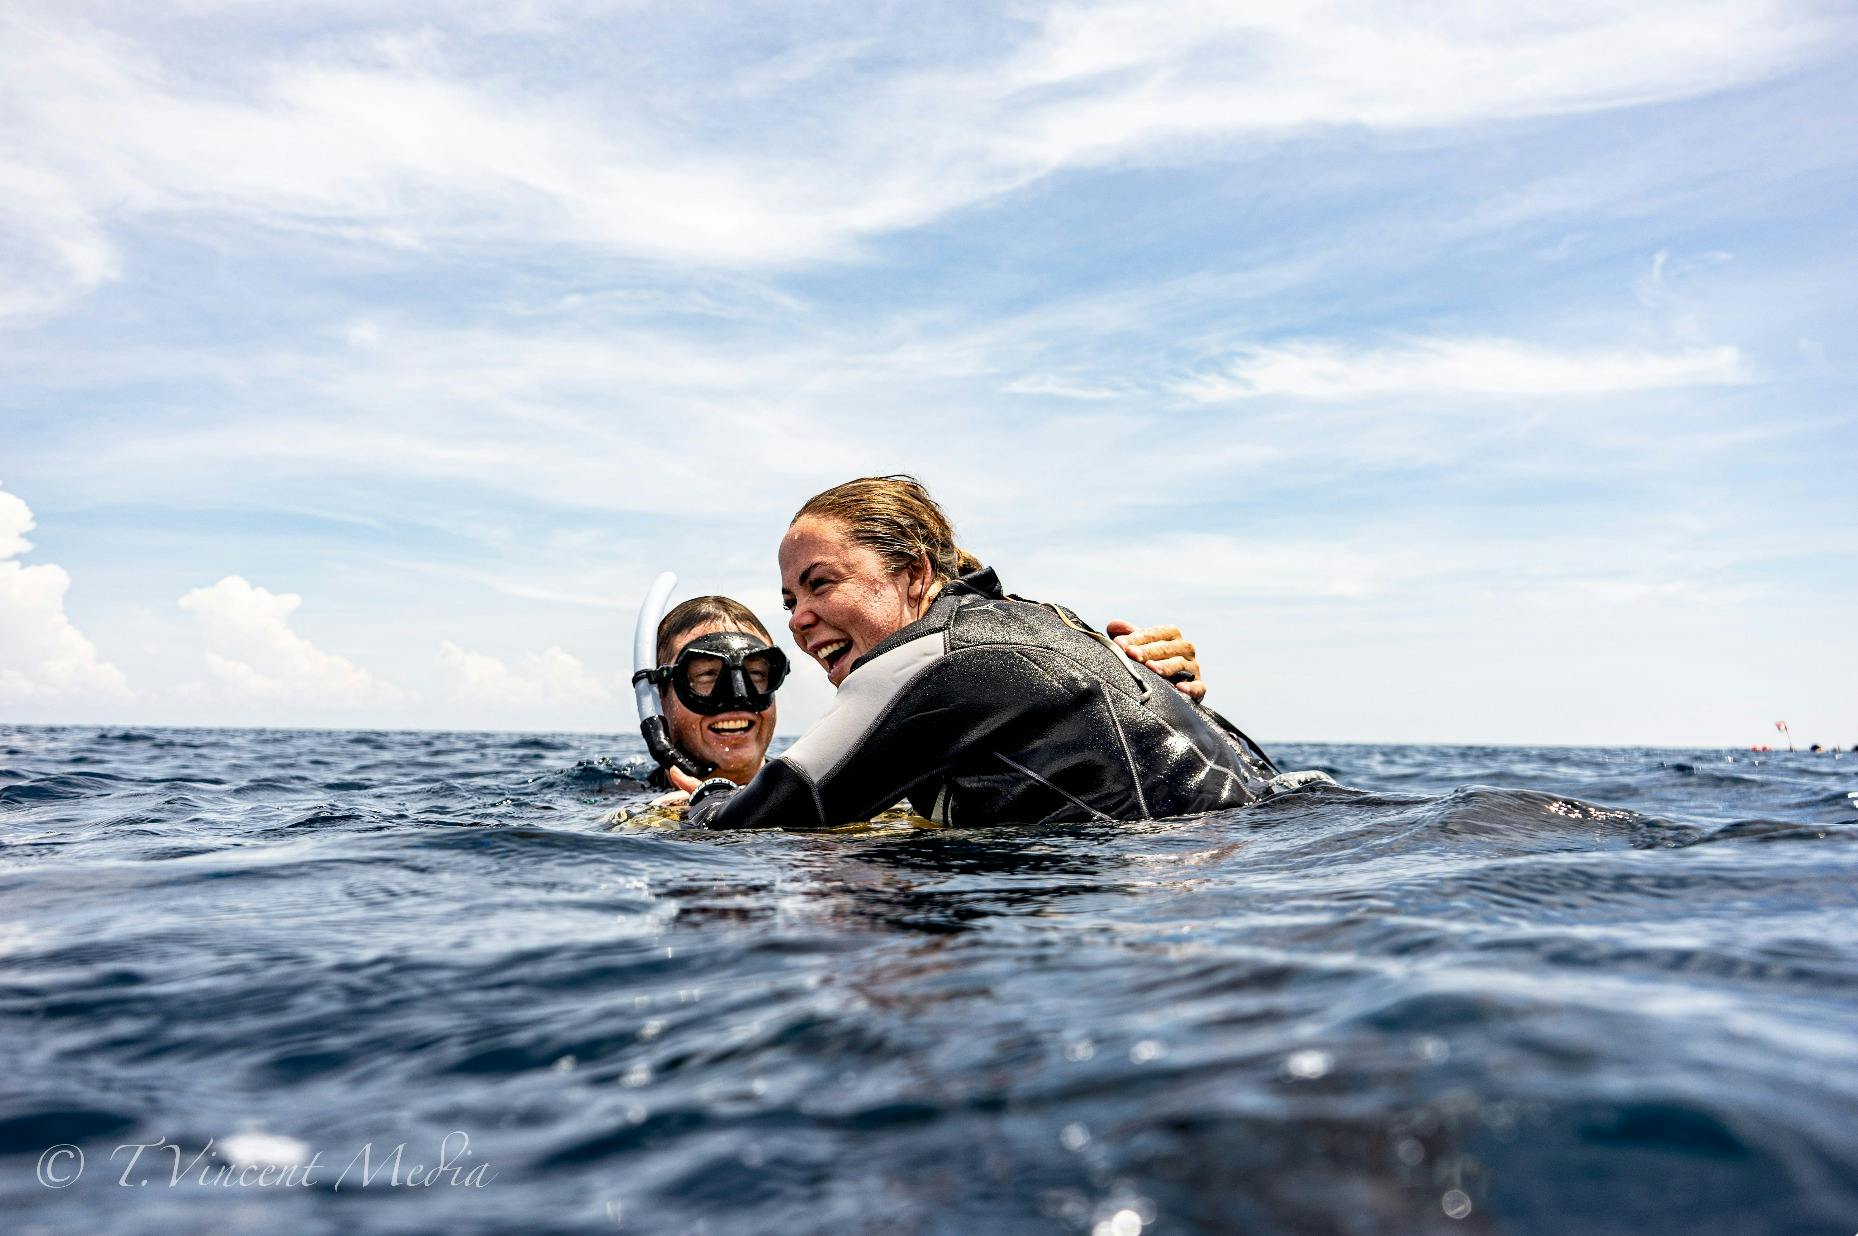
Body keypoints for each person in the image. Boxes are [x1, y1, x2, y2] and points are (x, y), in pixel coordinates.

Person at [667, 475, 1279, 829]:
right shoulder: (1040, 623)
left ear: (912, 572)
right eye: (788, 600)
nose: (799, 619)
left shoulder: (928, 659)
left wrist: (702, 803)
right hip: (1271, 845)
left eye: (820, 583)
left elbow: (762, 823)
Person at [620, 593, 1212, 792]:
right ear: (658, 698)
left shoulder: (838, 775)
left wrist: (1156, 700)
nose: (737, 701)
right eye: (705, 679)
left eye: (756, 677)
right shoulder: (636, 809)